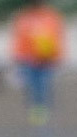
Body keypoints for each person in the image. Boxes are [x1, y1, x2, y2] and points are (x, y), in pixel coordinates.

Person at [10, 0, 66, 130]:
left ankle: (46, 118)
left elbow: (57, 38)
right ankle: (35, 118)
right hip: (28, 61)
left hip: (46, 61)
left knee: (44, 88)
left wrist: (56, 56)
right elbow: (19, 40)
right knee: (32, 89)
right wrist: (18, 58)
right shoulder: (23, 17)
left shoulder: (51, 17)